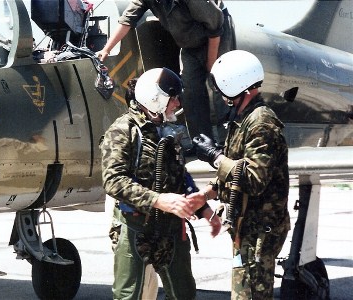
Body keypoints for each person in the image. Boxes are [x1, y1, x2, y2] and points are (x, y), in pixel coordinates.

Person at [100, 67, 221, 300]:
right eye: (172, 98)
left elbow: (179, 175)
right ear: (156, 99)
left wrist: (204, 209)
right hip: (134, 228)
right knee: (129, 296)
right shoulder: (123, 131)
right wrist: (157, 200)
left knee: (183, 294)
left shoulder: (168, 130)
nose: (177, 103)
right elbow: (114, 181)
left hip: (171, 228)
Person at [188, 50, 291, 299]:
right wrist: (206, 194)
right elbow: (235, 167)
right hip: (247, 227)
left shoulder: (261, 123)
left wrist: (214, 156)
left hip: (259, 231)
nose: (222, 96)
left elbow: (253, 179)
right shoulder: (244, 119)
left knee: (250, 296)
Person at [96, 0, 232, 145]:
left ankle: (228, 143)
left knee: (221, 87)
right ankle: (202, 144)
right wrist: (106, 50)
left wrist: (211, 63)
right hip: (189, 45)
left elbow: (215, 24)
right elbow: (127, 20)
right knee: (190, 92)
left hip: (217, 37)